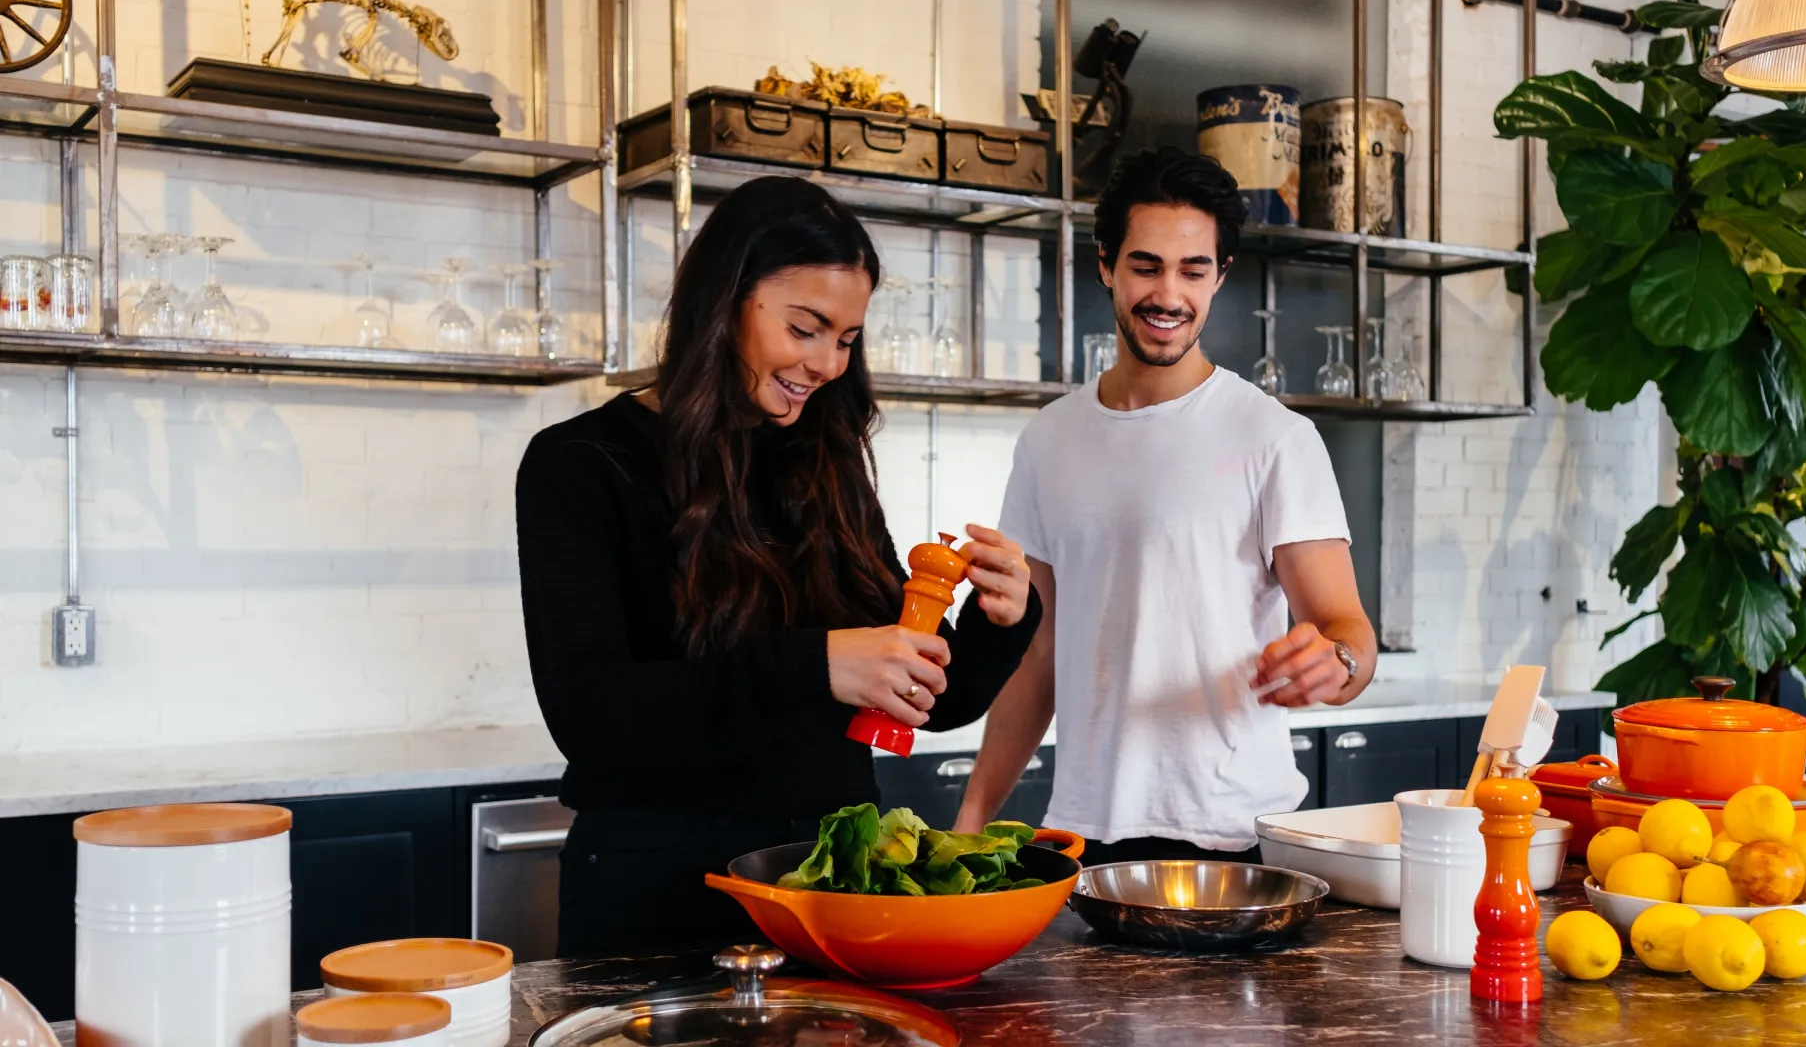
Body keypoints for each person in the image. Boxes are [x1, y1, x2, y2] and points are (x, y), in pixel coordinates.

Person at [516, 176, 1041, 956]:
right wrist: (817, 666)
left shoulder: (826, 464)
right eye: (806, 328)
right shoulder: (580, 464)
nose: (828, 363)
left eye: (847, 338)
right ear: (725, 299)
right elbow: (590, 718)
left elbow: (924, 700)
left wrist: (999, 619)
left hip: (832, 889)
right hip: (657, 898)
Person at [954, 146, 1377, 865]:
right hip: (1084, 836)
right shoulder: (1050, 438)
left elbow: (1348, 634)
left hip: (1235, 836)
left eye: (1193, 270)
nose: (1169, 294)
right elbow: (1038, 653)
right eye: (1146, 266)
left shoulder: (1275, 438)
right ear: (1106, 266)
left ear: (1221, 276)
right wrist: (969, 821)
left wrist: (1334, 663)